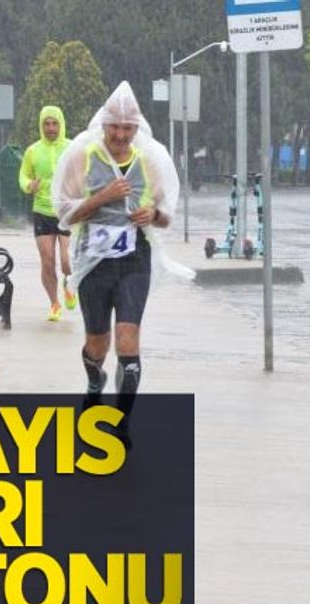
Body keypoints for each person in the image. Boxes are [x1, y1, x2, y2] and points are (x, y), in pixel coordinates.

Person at [52, 82, 179, 433]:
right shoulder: (81, 157)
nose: (121, 135)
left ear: (137, 128)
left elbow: (166, 216)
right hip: (94, 260)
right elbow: (64, 214)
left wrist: (152, 215)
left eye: (128, 128)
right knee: (97, 344)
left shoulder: (149, 161)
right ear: (103, 125)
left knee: (127, 338)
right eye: (115, 128)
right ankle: (95, 383)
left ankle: (120, 422)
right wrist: (102, 197)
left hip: (134, 259)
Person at [19, 105, 74, 321]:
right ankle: (54, 303)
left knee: (66, 260)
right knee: (47, 261)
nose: (51, 128)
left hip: (66, 211)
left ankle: (69, 284)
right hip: (42, 210)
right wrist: (28, 185)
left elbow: (83, 172)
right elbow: (23, 175)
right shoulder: (33, 151)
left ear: (61, 125)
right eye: (47, 124)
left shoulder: (71, 148)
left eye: (54, 124)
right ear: (41, 126)